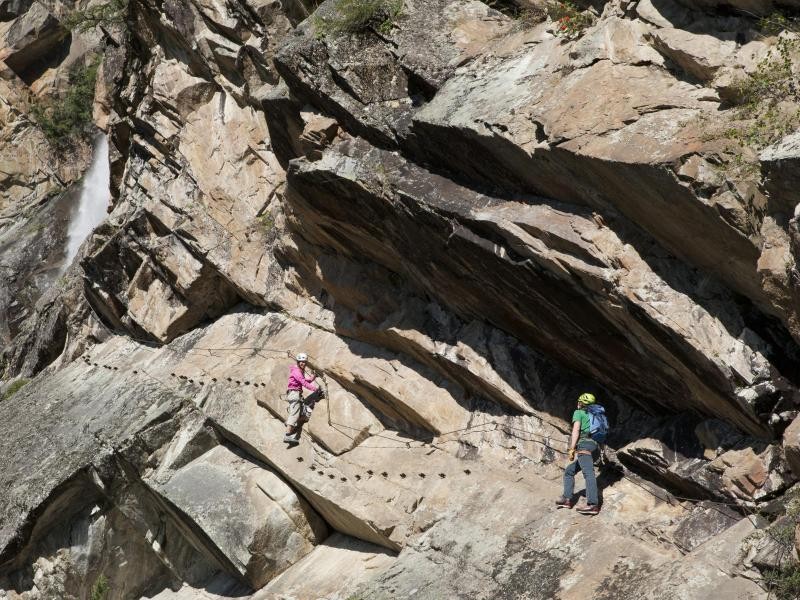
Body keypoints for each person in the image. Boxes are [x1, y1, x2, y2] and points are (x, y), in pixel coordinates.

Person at [555, 393, 602, 515]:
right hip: (596, 447)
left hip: (584, 446)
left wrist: (571, 448)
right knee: (569, 471)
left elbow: (576, 430)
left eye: (579, 401)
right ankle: (566, 498)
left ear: (581, 403)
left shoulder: (579, 412)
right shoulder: (596, 415)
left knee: (589, 473)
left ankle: (593, 504)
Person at [283, 352, 322, 444]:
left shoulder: (299, 371)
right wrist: (316, 389)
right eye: (301, 361)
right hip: (294, 394)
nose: (302, 363)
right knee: (295, 414)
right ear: (297, 362)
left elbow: (304, 380)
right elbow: (304, 383)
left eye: (304, 362)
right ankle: (287, 435)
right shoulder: (297, 371)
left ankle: (289, 422)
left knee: (301, 413)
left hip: (295, 394)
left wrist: (312, 377)